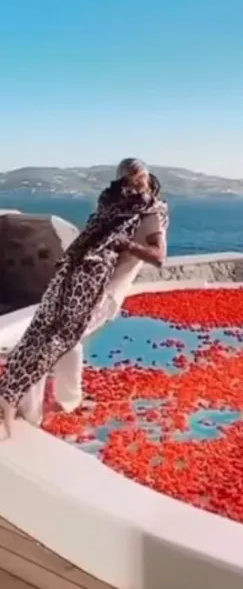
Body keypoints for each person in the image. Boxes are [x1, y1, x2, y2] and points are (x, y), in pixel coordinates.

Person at [0, 159, 168, 437]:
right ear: (121, 182)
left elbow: (159, 257)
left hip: (103, 291)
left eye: (141, 178)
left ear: (149, 179)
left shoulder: (150, 212)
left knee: (56, 340)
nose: (138, 184)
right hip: (85, 284)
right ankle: (53, 403)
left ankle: (45, 404)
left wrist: (122, 243)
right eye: (131, 179)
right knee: (54, 339)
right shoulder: (113, 207)